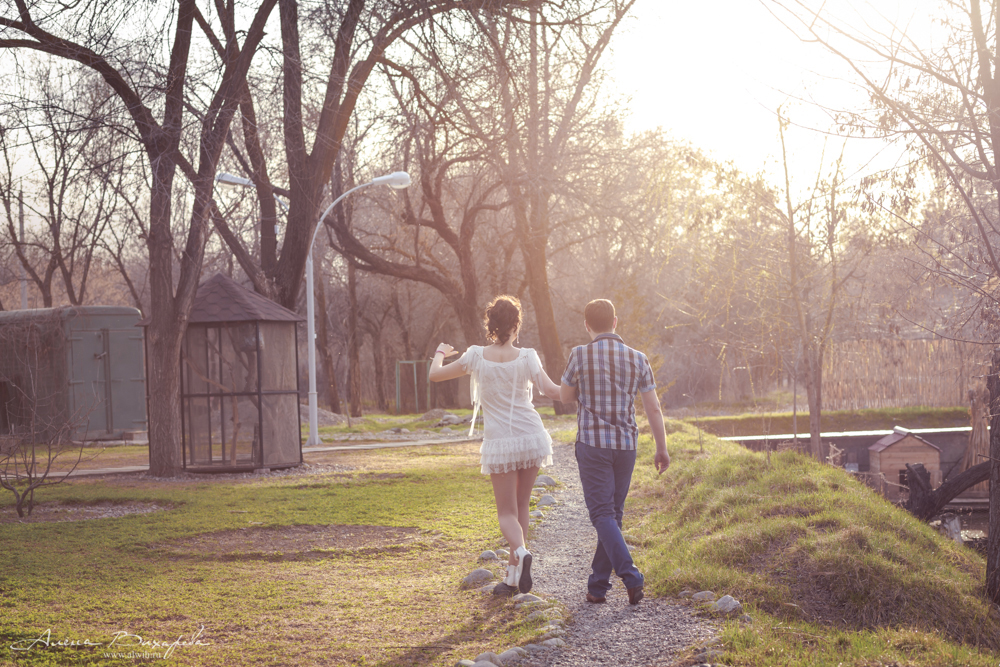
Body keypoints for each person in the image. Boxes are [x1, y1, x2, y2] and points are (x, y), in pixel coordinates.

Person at [429, 295, 562, 596]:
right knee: (522, 507)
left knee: (506, 513)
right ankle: (513, 576)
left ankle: (521, 556)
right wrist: (584, 385)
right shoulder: (528, 356)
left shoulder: (475, 355)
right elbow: (554, 391)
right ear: (517, 324)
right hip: (531, 436)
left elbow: (434, 375)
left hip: (501, 441)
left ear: (490, 324)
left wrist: (440, 352)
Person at [560, 299, 670, 606]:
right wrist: (662, 448)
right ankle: (597, 586)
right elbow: (653, 407)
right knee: (612, 516)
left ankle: (631, 576)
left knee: (602, 515)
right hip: (625, 446)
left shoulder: (579, 355)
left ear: (587, 325)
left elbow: (565, 396)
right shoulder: (638, 358)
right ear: (615, 322)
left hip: (593, 445)